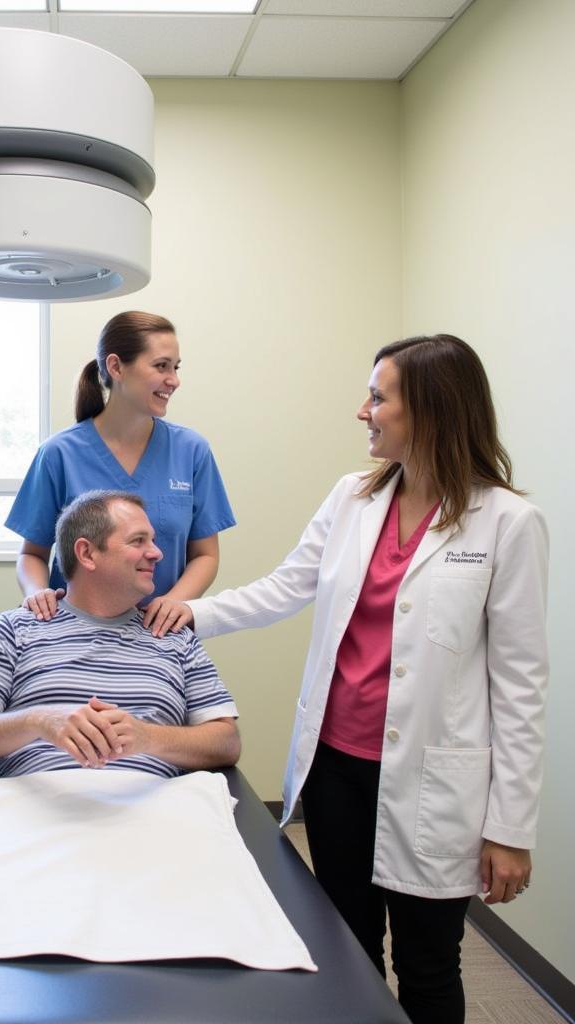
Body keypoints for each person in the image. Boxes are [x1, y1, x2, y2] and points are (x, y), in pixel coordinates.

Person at [153, 335, 548, 1024]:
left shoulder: (509, 522)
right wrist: (188, 613)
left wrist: (510, 828)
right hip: (336, 769)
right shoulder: (353, 497)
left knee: (428, 966)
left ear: (428, 408)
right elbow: (286, 587)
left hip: (436, 785)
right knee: (347, 953)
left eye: (377, 396)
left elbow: (520, 684)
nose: (362, 410)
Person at [0, 490, 240, 778]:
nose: (157, 553)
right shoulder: (16, 629)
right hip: (32, 811)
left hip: (147, 814)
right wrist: (38, 721)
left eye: (153, 540)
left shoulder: (175, 637)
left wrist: (147, 737)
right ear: (87, 553)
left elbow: (227, 742)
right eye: (139, 540)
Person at [6, 311, 235, 625]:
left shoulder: (192, 451)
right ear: (116, 367)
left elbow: (206, 556)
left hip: (159, 635)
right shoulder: (59, 454)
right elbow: (31, 554)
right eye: (161, 366)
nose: (174, 380)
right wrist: (36, 593)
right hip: (74, 633)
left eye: (176, 367)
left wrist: (171, 603)